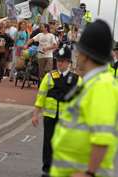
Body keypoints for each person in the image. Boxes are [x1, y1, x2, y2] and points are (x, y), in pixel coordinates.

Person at [50, 19, 118, 177]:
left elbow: (102, 135)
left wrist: (89, 173)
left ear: (86, 55)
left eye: (78, 51)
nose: (76, 55)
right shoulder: (94, 81)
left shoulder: (102, 85)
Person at [32, 44, 78, 177]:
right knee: (48, 143)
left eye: (63, 61)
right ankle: (47, 169)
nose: (60, 64)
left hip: (67, 119)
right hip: (50, 117)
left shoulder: (76, 79)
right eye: (58, 61)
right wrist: (36, 114)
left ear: (69, 62)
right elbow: (41, 96)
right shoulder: (50, 76)